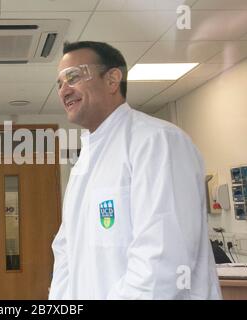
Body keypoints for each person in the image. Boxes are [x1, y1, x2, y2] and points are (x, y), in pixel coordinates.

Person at [49, 41, 222, 299]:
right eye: (59, 83)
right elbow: (66, 253)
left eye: (73, 76)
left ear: (112, 79)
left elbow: (162, 260)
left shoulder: (157, 141)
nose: (64, 89)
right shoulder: (84, 162)